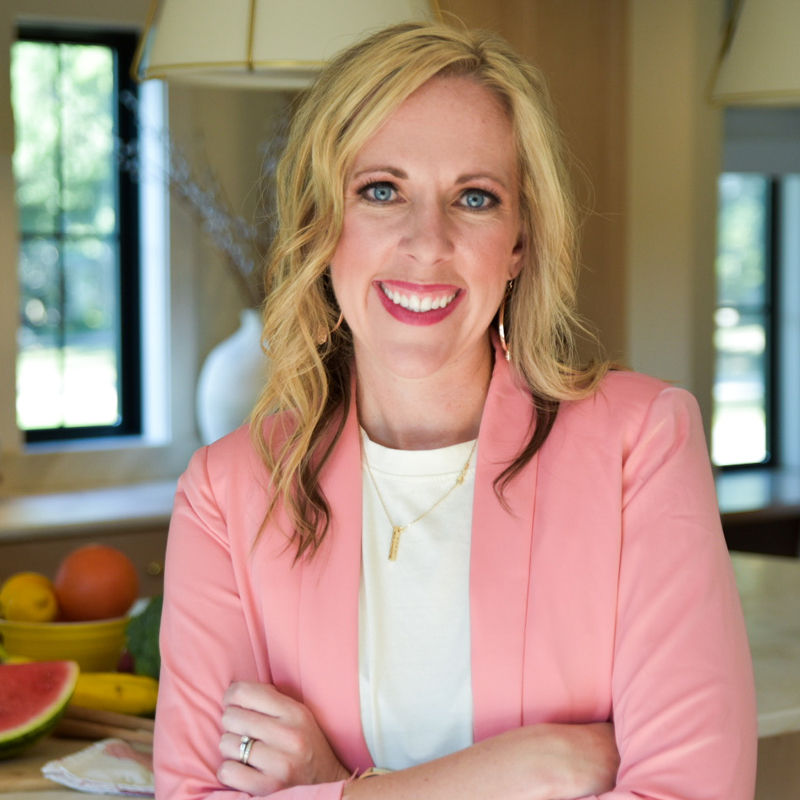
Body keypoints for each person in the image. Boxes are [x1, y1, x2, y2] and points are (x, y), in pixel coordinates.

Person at [153, 21, 758, 800]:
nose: (426, 241)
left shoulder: (637, 444)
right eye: (381, 190)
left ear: (517, 243)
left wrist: (337, 786)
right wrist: (522, 771)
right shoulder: (228, 494)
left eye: (475, 198)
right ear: (320, 224)